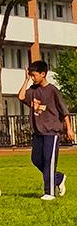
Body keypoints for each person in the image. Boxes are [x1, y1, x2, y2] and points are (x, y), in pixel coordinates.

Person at [18, 60, 72, 201]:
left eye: (34, 75)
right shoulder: (33, 90)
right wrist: (26, 81)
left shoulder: (52, 90)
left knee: (49, 160)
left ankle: (50, 193)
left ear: (43, 74)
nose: (32, 78)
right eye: (30, 75)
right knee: (36, 160)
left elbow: (64, 111)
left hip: (51, 132)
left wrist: (69, 129)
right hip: (38, 132)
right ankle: (59, 178)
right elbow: (21, 97)